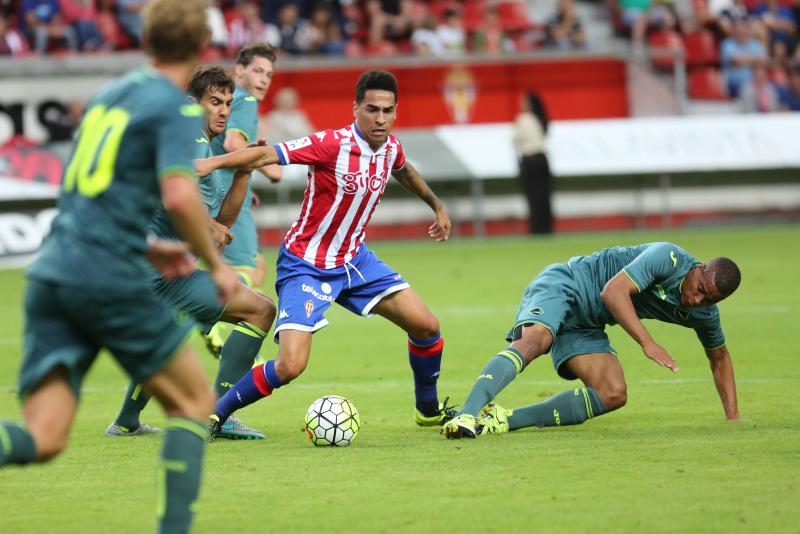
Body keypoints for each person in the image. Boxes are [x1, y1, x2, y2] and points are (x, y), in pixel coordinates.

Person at [0, 2, 240, 533]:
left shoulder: (110, 95)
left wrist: (148, 245)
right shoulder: (175, 110)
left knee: (43, 438)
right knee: (196, 400)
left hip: (54, 272)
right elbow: (179, 193)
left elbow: (82, 189)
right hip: (107, 278)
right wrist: (215, 265)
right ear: (201, 46)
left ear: (146, 38)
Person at [199, 70, 455, 439]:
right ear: (356, 108)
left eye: (388, 110)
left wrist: (437, 206)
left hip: (355, 261)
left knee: (427, 326)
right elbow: (265, 154)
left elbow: (404, 170)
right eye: (372, 109)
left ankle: (428, 411)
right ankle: (214, 414)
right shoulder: (331, 144)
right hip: (306, 264)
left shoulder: (391, 147)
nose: (380, 118)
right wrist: (210, 163)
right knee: (290, 365)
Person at [105, 65, 277, 441]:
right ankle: (218, 415)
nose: (223, 111)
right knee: (261, 309)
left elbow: (222, 223)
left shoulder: (197, 145)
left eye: (228, 103)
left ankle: (126, 422)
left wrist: (245, 171)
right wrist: (205, 227)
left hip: (150, 271)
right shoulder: (189, 142)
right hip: (157, 271)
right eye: (214, 101)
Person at [442, 242, 741, 439]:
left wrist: (732, 418)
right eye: (699, 288)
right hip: (568, 284)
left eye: (707, 299)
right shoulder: (668, 257)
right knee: (536, 341)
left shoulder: (705, 314)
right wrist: (647, 343)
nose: (695, 299)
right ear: (699, 267)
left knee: (613, 393)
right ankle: (466, 415)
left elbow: (720, 358)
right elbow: (612, 292)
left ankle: (501, 420)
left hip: (587, 323)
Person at [203, 43, 281, 358]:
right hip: (225, 198)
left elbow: (222, 145)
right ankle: (215, 323)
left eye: (269, 74)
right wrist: (265, 163)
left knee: (255, 265)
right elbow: (235, 141)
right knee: (246, 266)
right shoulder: (245, 101)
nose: (263, 79)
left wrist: (246, 184)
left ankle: (223, 328)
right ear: (239, 71)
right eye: (258, 71)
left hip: (221, 190)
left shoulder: (225, 103)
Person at [513, 92, 553, 235]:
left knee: (533, 197)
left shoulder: (523, 119)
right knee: (544, 196)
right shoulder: (542, 118)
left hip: (529, 160)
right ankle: (547, 228)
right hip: (542, 160)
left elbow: (516, 140)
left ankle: (536, 229)